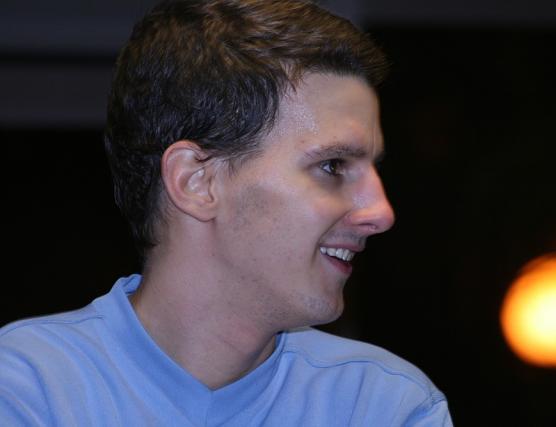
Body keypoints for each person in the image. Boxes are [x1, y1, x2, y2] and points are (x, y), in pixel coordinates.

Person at [0, 0, 453, 425]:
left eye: (372, 170)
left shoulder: (383, 406)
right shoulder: (28, 391)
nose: (381, 212)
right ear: (197, 181)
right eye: (332, 166)